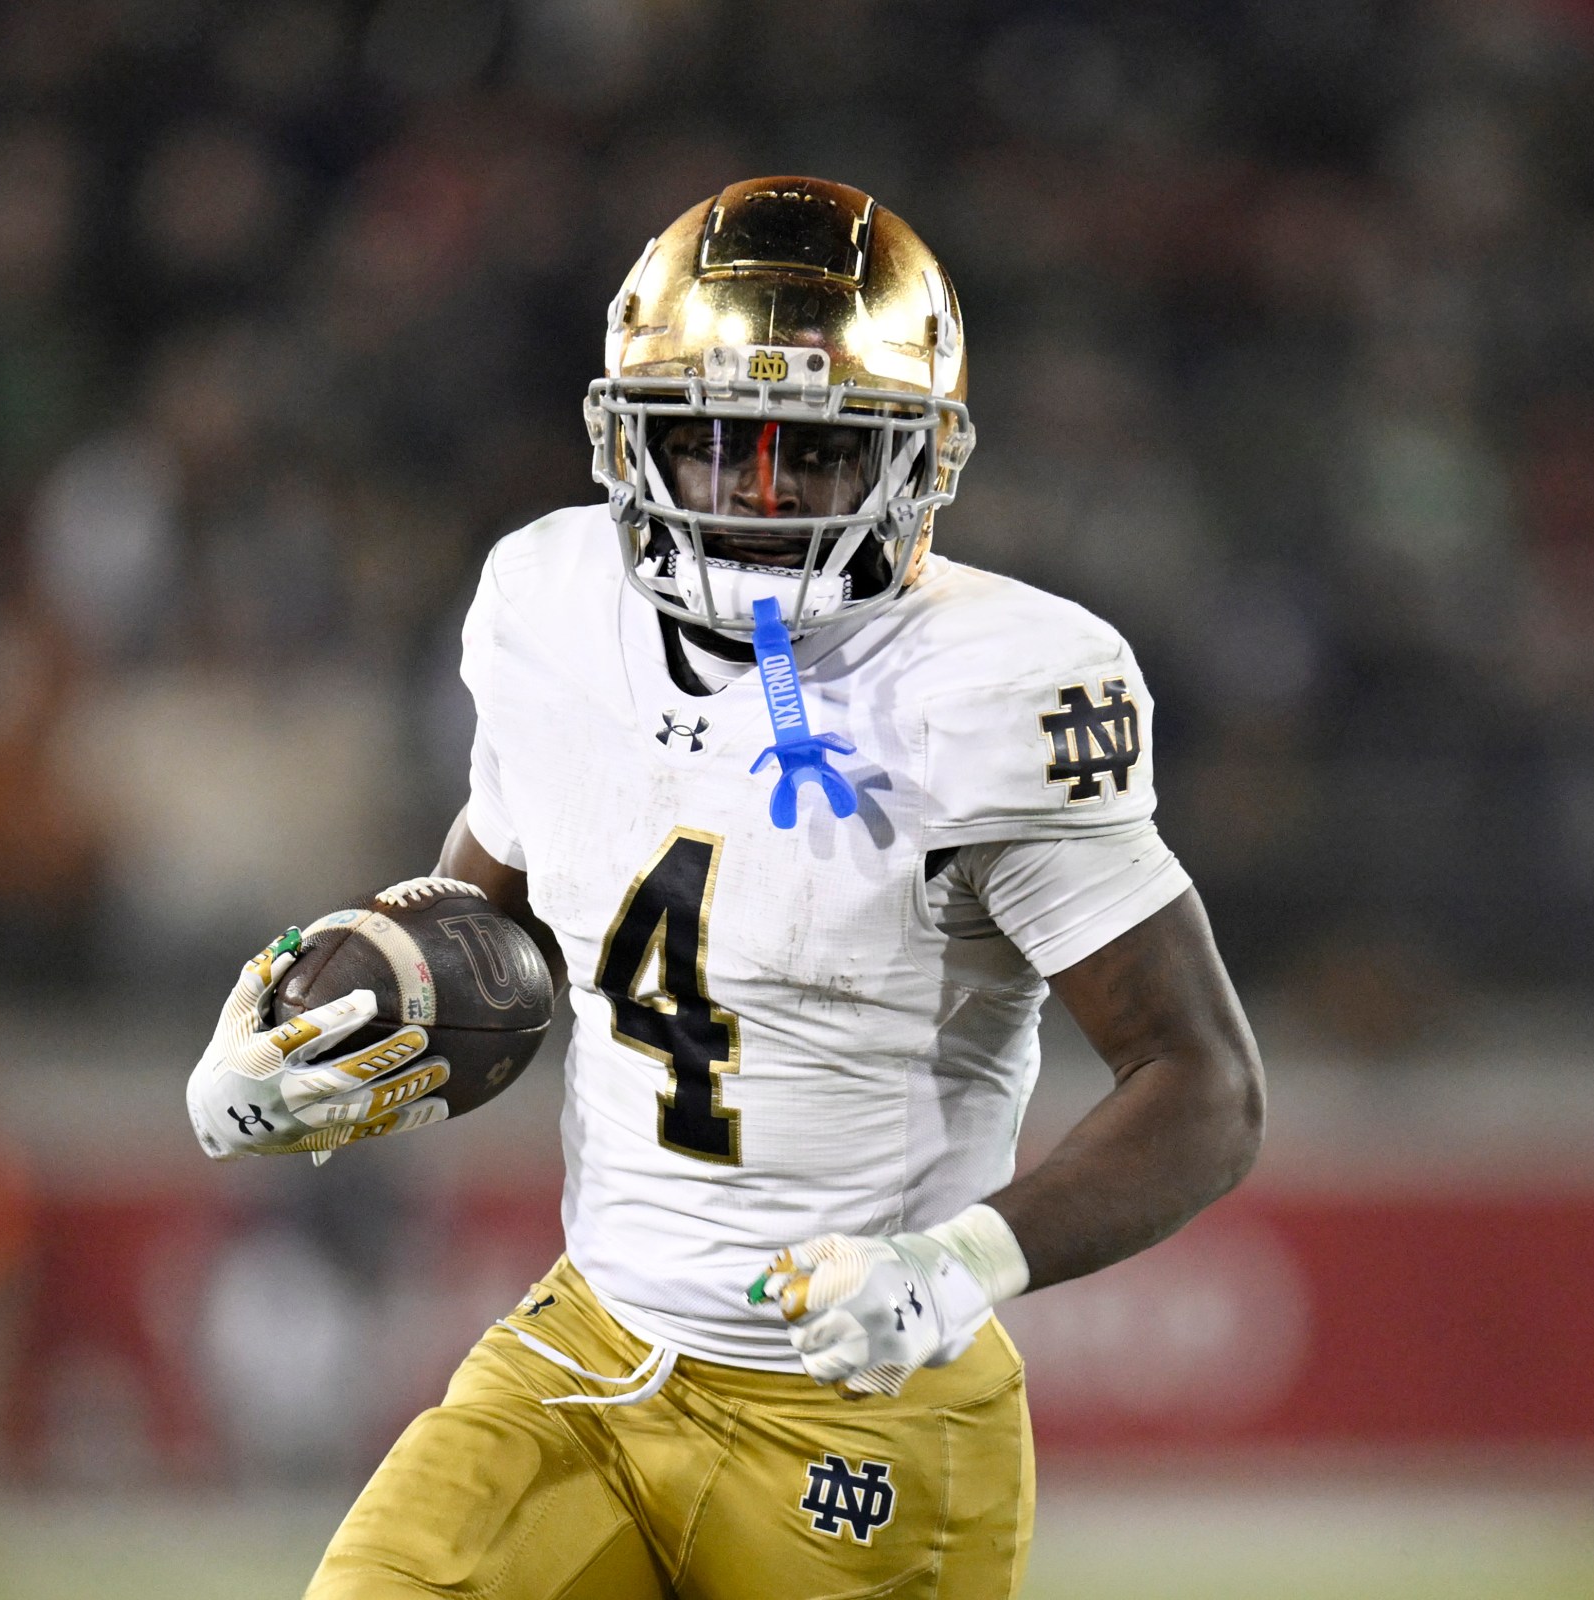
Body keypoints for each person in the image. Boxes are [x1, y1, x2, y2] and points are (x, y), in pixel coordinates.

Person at [185, 176, 1265, 1599]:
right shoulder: (548, 606)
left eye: (812, 457)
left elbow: (1202, 1085)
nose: (758, 499)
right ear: (627, 444)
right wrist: (320, 1040)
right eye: (712, 449)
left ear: (919, 459)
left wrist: (959, 1264)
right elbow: (491, 937)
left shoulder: (999, 685)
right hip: (591, 1350)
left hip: (864, 1412)